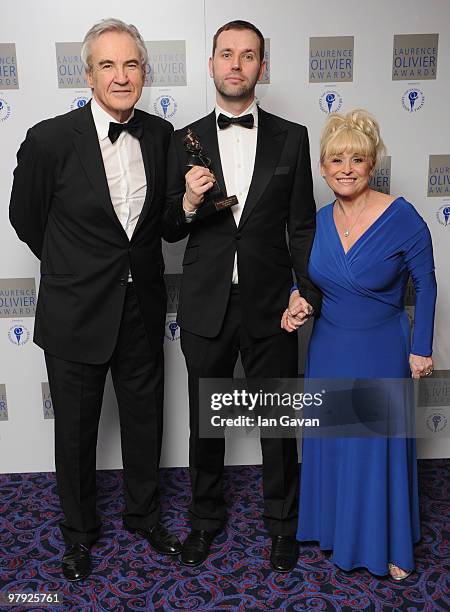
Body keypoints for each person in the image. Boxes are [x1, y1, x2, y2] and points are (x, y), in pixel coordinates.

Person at [9, 18, 181, 581]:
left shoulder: (160, 136)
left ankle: (144, 515)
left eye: (131, 64)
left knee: (143, 420)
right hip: (76, 310)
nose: (121, 75)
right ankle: (79, 536)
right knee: (77, 432)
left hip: (142, 307)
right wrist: (74, 268)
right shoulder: (50, 138)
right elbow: (27, 219)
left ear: (145, 72)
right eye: (108, 65)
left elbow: (163, 224)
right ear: (87, 74)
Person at [163, 20, 320, 572]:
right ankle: (204, 521)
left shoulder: (293, 137)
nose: (236, 64)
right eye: (226, 54)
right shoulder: (183, 138)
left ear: (262, 67)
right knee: (207, 420)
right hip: (206, 302)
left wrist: (307, 295)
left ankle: (283, 525)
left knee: (278, 421)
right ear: (211, 65)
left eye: (248, 55)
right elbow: (169, 228)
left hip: (272, 303)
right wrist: (185, 199)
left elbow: (301, 228)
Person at [282, 109, 437, 580]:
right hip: (328, 346)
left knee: (375, 448)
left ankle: (387, 543)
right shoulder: (318, 221)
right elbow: (306, 280)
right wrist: (297, 299)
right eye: (335, 160)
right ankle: (334, 529)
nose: (346, 168)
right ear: (323, 168)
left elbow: (427, 284)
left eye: (357, 159)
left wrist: (422, 346)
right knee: (335, 442)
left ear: (372, 164)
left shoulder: (401, 215)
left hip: (381, 347)